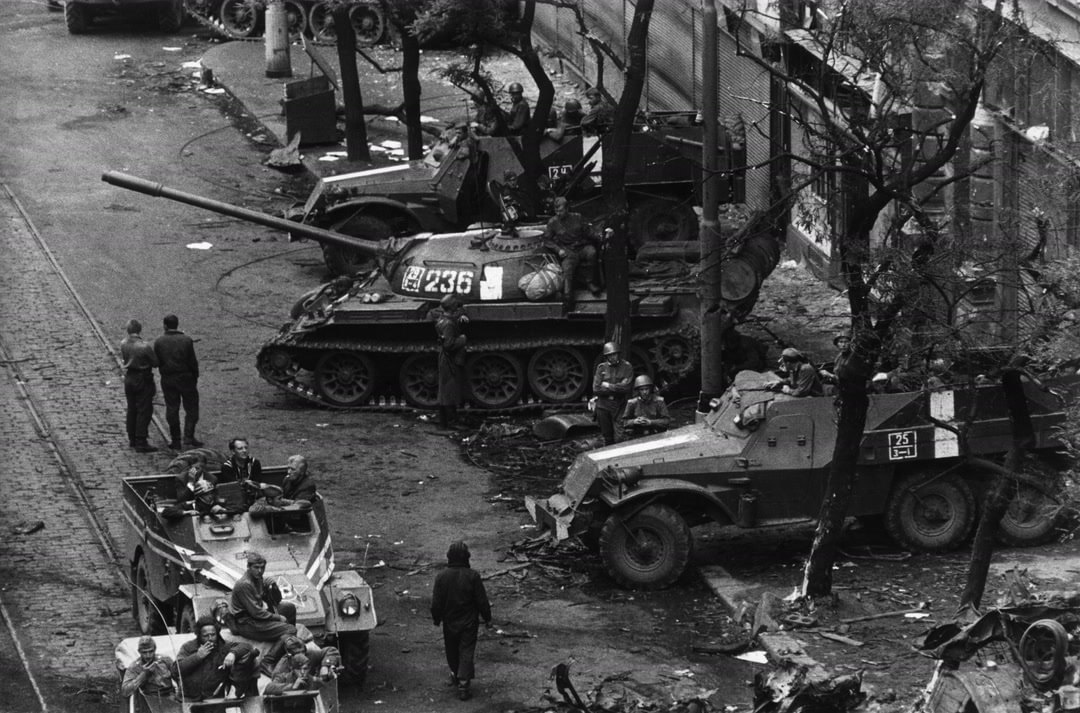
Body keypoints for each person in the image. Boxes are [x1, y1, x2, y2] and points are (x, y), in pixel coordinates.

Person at [431, 541, 492, 702]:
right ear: (466, 557)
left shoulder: (442, 577)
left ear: (449, 557)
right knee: (466, 651)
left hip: (449, 621)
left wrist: (436, 618)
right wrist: (487, 618)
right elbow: (482, 601)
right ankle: (464, 684)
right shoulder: (473, 576)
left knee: (451, 649)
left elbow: (436, 602)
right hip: (469, 622)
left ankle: (456, 674)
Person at [227, 552, 296, 673]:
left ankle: (290, 643)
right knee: (290, 629)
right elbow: (257, 613)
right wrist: (278, 618)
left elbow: (276, 601)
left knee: (289, 608)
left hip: (256, 618)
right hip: (246, 623)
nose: (260, 571)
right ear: (248, 567)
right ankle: (268, 661)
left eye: (262, 567)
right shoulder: (244, 584)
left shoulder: (258, 579)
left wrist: (274, 587)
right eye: (256, 567)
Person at [173, 616, 258, 701]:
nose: (210, 639)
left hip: (214, 699)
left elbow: (247, 647)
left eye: (213, 635)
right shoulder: (188, 647)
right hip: (189, 698)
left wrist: (233, 653)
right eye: (205, 636)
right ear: (199, 635)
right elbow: (175, 670)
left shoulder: (223, 646)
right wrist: (197, 656)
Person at [154, 314, 201, 450]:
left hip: (168, 379)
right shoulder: (186, 340)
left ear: (165, 326)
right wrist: (195, 376)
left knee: (172, 408)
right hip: (186, 378)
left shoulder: (159, 341)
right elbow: (192, 362)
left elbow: (157, 362)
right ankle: (189, 436)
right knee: (191, 408)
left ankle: (175, 439)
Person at [543, 197, 600, 309]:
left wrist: (599, 236)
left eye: (561, 211)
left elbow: (588, 232)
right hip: (568, 250)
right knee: (567, 268)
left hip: (582, 246)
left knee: (592, 253)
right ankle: (568, 298)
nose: (558, 213)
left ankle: (590, 282)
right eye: (556, 211)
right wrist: (558, 250)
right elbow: (547, 240)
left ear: (567, 209)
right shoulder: (553, 222)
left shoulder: (577, 217)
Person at [121, 319, 159, 453]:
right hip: (142, 379)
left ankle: (132, 437)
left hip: (129, 378)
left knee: (132, 409)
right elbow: (155, 362)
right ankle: (141, 440)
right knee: (144, 409)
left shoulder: (123, 343)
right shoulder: (144, 346)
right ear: (139, 329)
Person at [434, 294, 469, 428]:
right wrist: (462, 339)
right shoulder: (448, 324)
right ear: (452, 307)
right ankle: (449, 422)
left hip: (445, 357)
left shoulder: (443, 318)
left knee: (446, 390)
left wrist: (461, 315)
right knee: (449, 389)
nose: (457, 307)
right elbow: (449, 344)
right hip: (449, 358)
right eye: (456, 305)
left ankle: (446, 421)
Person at [592, 342, 634, 445]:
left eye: (614, 354)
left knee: (620, 437)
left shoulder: (626, 367)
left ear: (618, 354)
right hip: (603, 405)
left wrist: (608, 385)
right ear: (606, 357)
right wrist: (618, 387)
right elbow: (596, 389)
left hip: (619, 405)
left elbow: (626, 388)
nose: (612, 357)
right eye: (609, 355)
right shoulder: (601, 368)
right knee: (607, 437)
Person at [121, 635, 175, 700]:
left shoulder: (165, 660)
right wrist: (144, 675)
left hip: (170, 697)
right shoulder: (134, 667)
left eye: (150, 651)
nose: (148, 656)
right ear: (139, 651)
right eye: (144, 652)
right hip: (149, 699)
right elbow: (125, 691)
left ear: (155, 649)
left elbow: (179, 676)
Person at [620, 375, 671, 439]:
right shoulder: (632, 403)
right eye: (642, 390)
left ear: (650, 389)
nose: (644, 392)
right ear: (638, 391)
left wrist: (651, 422)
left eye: (646, 389)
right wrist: (634, 421)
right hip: (638, 435)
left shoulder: (659, 401)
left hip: (657, 433)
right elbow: (624, 422)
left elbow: (666, 421)